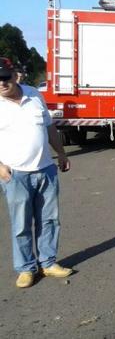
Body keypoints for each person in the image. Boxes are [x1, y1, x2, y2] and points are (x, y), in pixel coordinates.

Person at [0, 57, 73, 288]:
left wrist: (61, 154)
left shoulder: (34, 94)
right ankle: (25, 269)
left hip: (45, 169)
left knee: (49, 220)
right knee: (21, 224)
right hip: (15, 174)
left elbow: (49, 126)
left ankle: (48, 263)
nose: (1, 84)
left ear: (14, 76)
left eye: (4, 78)